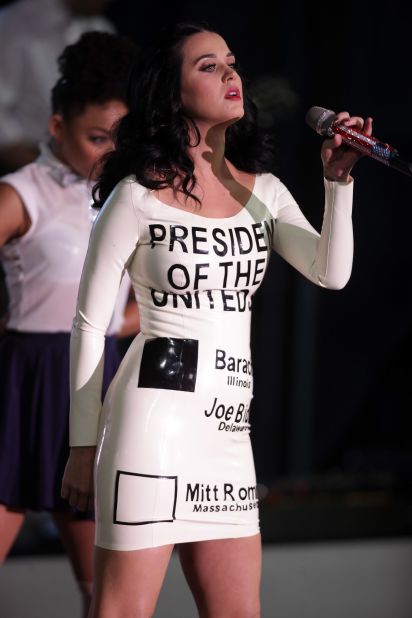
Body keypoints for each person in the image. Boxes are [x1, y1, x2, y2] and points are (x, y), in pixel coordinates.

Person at [61, 22, 373, 617]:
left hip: (227, 434)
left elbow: (331, 274)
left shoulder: (268, 194)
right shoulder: (135, 195)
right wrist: (81, 446)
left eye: (231, 62)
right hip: (150, 425)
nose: (231, 74)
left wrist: (339, 183)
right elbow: (88, 325)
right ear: (171, 92)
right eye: (208, 66)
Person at [0, 31, 139, 617]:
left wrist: (131, 322)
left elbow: (147, 294)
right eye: (95, 137)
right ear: (57, 127)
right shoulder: (21, 191)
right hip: (23, 381)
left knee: (103, 591)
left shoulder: (130, 196)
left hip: (96, 384)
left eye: (120, 139)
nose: (108, 152)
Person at [0, 0, 116, 173]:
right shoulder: (14, 22)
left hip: (86, 162)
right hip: (27, 159)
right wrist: (37, 170)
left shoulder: (100, 26)